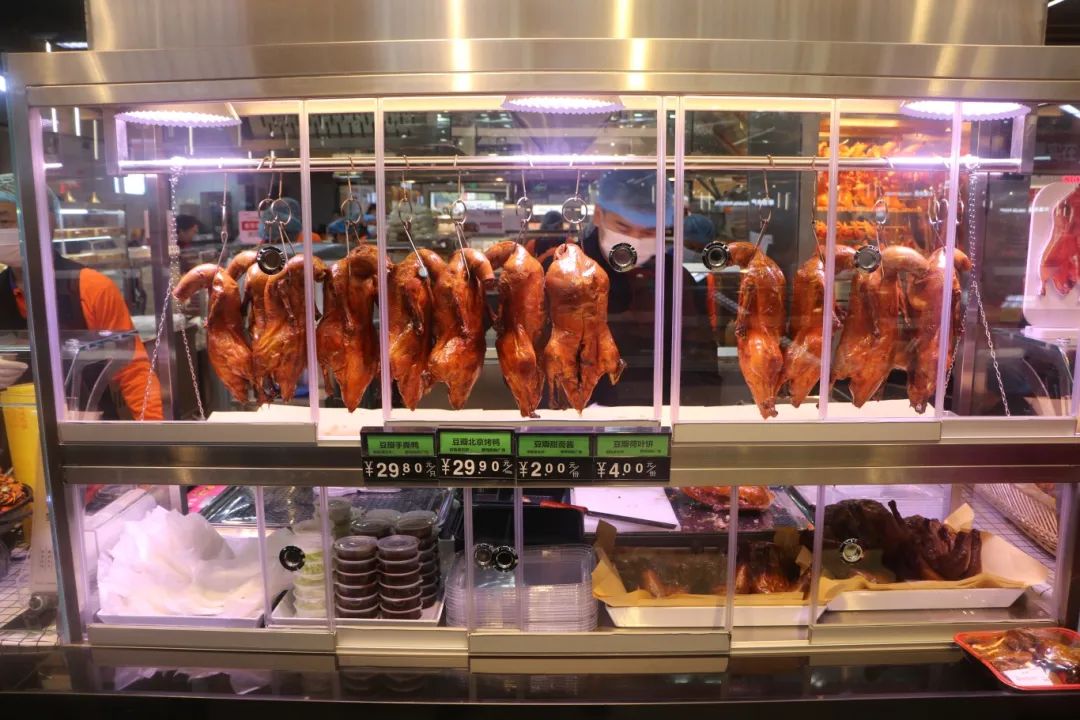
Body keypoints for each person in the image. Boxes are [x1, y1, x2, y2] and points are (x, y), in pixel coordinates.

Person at [547, 171, 718, 408]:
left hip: (658, 410)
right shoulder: (560, 271)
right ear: (598, 215)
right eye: (623, 227)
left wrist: (694, 409)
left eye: (649, 231)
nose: (635, 240)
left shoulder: (674, 276)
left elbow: (701, 357)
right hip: (580, 413)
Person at [0, 174, 163, 420]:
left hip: (88, 430)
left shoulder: (90, 287)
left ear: (43, 222)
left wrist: (155, 430)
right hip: (15, 430)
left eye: (3, 221)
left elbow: (133, 369)